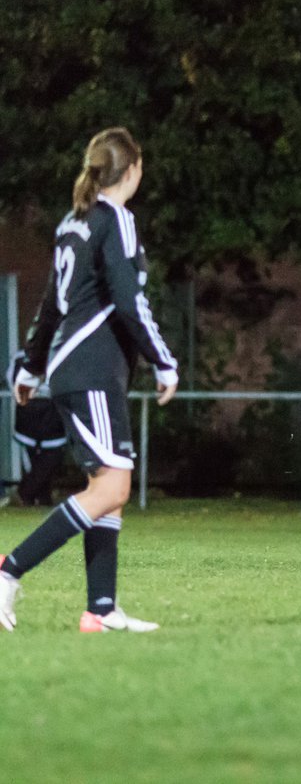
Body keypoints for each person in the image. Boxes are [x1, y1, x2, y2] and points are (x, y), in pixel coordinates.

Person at [1, 127, 179, 633]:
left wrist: (31, 366)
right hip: (93, 369)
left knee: (108, 486)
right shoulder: (116, 220)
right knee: (111, 487)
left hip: (79, 369)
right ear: (134, 170)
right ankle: (9, 572)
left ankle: (100, 609)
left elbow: (53, 302)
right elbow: (129, 301)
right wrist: (164, 360)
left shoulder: (73, 222)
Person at [4, 349, 69, 507]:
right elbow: (12, 379)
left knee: (52, 457)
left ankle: (27, 494)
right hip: (30, 412)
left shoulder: (60, 353)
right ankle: (35, 497)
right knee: (33, 459)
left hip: (52, 413)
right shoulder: (21, 357)